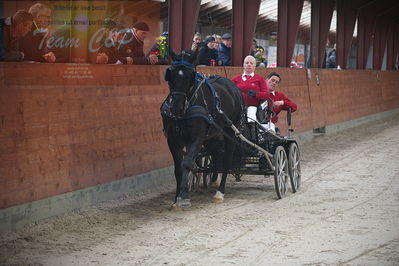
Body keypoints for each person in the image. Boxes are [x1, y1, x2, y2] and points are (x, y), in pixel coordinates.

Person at [231, 55, 269, 123]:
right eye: (247, 63)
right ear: (243, 65)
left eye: (251, 63)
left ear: (254, 66)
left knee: (251, 117)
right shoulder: (235, 79)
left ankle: (252, 132)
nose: (249, 65)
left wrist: (256, 94)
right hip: (238, 106)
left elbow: (266, 95)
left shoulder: (260, 79)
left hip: (252, 106)